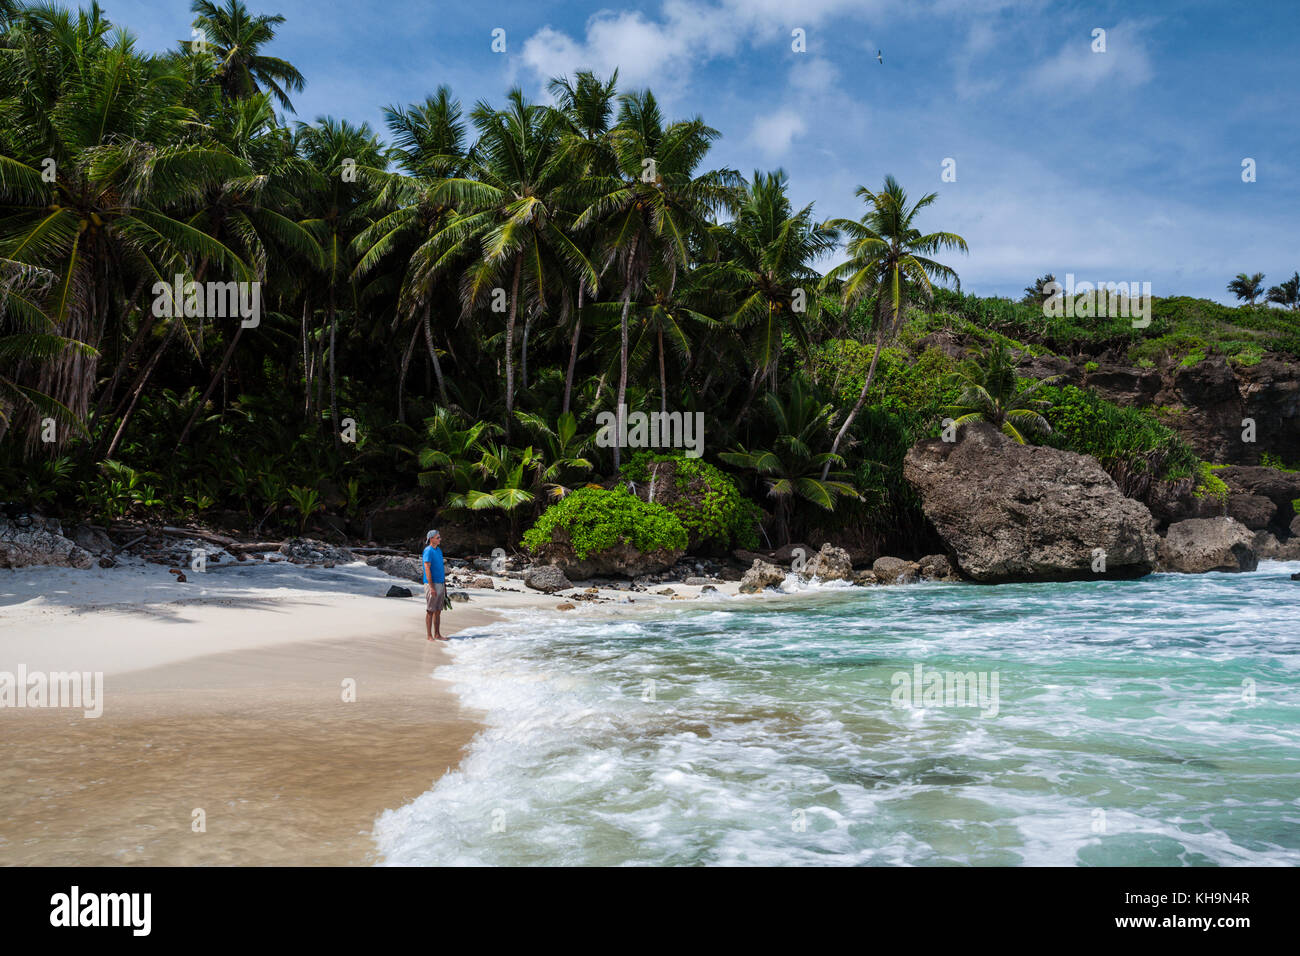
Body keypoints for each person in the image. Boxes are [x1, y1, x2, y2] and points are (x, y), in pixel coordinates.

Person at [422, 529, 446, 641]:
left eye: (439, 537)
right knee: (430, 610)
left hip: (440, 583)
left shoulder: (439, 550)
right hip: (431, 584)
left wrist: (444, 586)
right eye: (438, 537)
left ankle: (437, 634)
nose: (440, 539)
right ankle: (429, 635)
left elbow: (441, 568)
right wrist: (431, 587)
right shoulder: (428, 551)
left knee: (438, 610)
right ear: (431, 539)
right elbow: (427, 568)